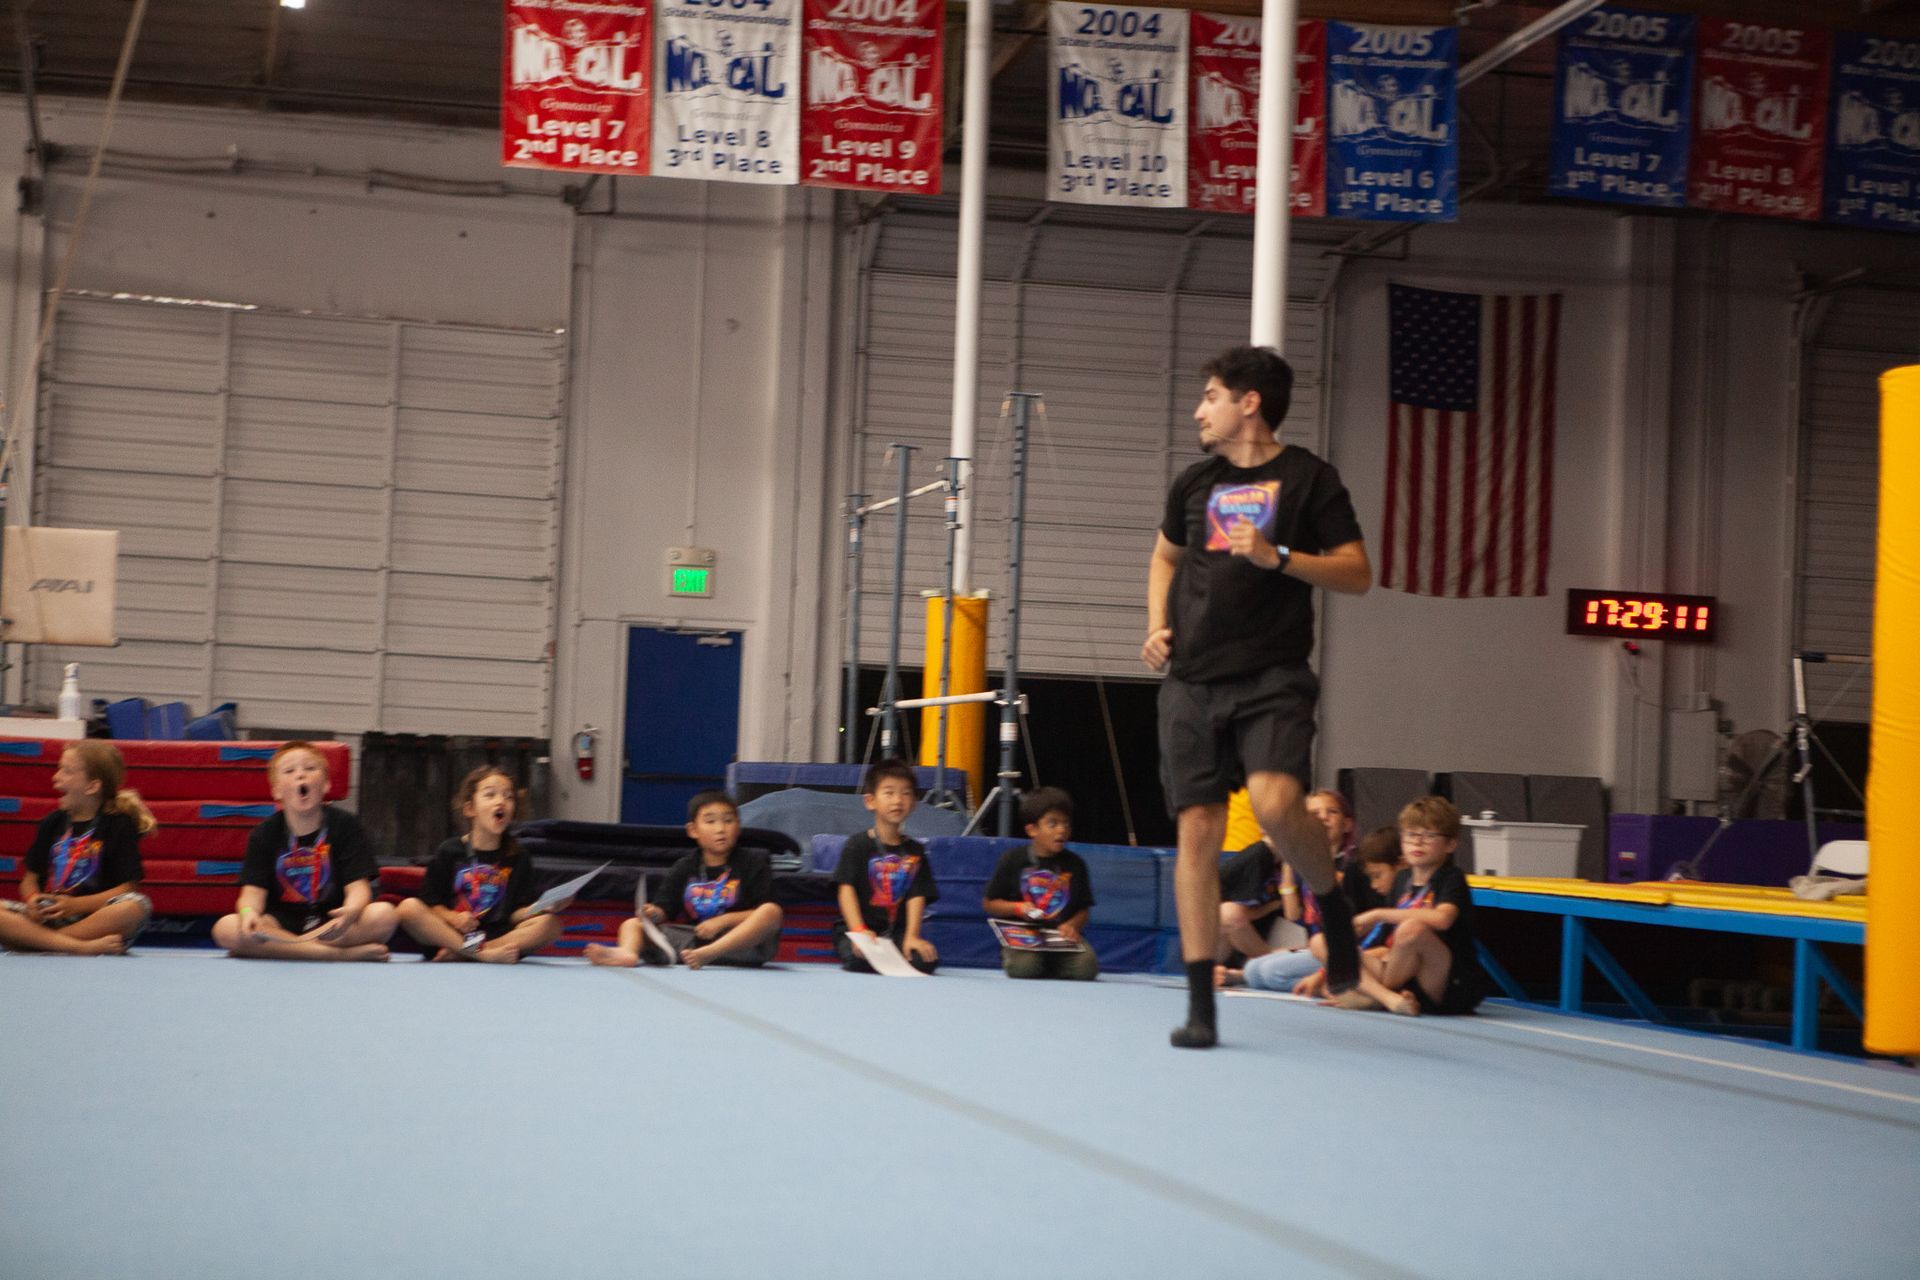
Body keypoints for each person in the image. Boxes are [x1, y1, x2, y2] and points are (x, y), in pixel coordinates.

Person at [1143, 344, 1373, 1048]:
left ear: (1249, 403)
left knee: (1277, 805)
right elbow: (1165, 557)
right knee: (1197, 833)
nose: (1198, 409)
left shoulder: (1309, 479)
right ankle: (1200, 1003)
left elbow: (1357, 573)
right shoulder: (1193, 483)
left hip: (1272, 676)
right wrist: (1157, 624)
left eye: (1211, 395)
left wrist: (1278, 559)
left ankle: (1328, 901)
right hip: (1192, 682)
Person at [211, 741, 397, 961]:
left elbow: (359, 888)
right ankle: (337, 955)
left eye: (310, 769)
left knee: (384, 914)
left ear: (326, 784)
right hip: (279, 925)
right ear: (277, 791)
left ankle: (286, 951)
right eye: (289, 771)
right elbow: (250, 897)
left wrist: (352, 910)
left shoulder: (346, 826)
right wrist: (248, 914)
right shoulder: (264, 834)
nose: (301, 775)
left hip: (332, 924)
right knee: (225, 927)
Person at [586, 790, 783, 969]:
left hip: (742, 944)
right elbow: (665, 909)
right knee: (632, 924)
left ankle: (710, 954)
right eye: (710, 821)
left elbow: (764, 914)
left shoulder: (753, 863)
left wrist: (723, 921)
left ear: (738, 827)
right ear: (693, 830)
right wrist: (652, 913)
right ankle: (627, 953)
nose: (721, 829)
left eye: (728, 821)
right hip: (693, 942)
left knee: (772, 911)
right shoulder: (685, 867)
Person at [1332, 797, 1485, 1017]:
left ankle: (1375, 995)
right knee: (1326, 941)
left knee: (1412, 928)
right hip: (1405, 980)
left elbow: (1442, 919)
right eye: (1411, 834)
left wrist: (1377, 915)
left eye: (1429, 835)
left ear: (1450, 844)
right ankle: (1387, 997)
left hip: (1447, 984)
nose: (1418, 842)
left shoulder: (1451, 878)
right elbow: (1387, 945)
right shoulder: (1401, 879)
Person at [396, 766, 565, 963]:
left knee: (551, 925)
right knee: (408, 908)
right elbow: (432, 904)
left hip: (495, 937)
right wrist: (453, 918)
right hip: (452, 935)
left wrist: (542, 907)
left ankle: (468, 952)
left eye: (508, 797)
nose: (501, 801)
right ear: (470, 809)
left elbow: (515, 914)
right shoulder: (450, 850)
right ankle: (476, 953)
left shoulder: (519, 856)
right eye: (490, 795)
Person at [0, 742, 153, 955]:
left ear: (92, 786)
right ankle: (76, 946)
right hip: (50, 915)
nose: (56, 778)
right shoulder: (52, 822)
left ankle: (34, 941)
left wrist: (76, 905)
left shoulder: (118, 824)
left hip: (94, 919)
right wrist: (33, 899)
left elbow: (127, 888)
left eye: (66, 771)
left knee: (135, 907)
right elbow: (30, 879)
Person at [1219, 826, 1403, 996]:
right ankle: (1244, 975)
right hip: (1319, 947)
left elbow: (1371, 942)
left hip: (1342, 952)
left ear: (1346, 823)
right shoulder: (1298, 864)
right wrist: (1289, 864)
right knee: (1254, 969)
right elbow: (1292, 913)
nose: (1374, 883)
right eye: (1315, 815)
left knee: (1270, 972)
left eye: (1331, 812)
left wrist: (1323, 969)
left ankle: (1336, 986)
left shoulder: (1352, 869)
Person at [831, 758, 939, 974]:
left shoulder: (915, 851)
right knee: (859, 959)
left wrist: (911, 936)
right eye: (889, 793)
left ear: (914, 802)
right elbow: (846, 890)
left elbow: (917, 896)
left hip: (896, 932)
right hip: (859, 929)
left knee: (924, 962)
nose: (898, 800)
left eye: (906, 793)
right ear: (870, 801)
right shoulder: (857, 845)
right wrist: (859, 930)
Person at [982, 787, 1098, 981]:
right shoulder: (1012, 860)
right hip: (1024, 935)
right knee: (1023, 968)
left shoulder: (1076, 864)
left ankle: (1048, 963)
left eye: (1066, 824)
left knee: (1087, 968)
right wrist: (1018, 908)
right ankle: (1027, 959)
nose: (1062, 830)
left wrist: (1072, 925)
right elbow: (989, 903)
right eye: (1053, 823)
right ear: (1032, 829)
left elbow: (1084, 909)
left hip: (1060, 938)